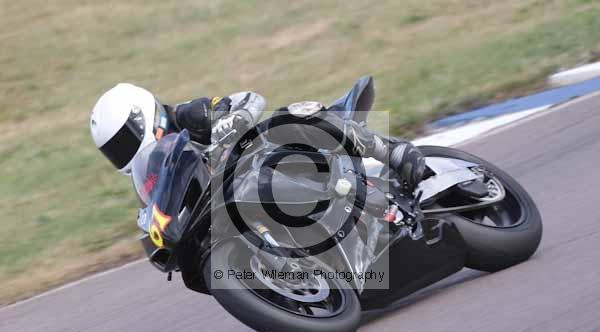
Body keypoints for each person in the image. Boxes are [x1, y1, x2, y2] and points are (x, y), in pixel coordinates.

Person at [89, 82, 425, 193]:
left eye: (123, 141)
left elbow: (251, 100)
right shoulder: (152, 174)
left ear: (142, 117)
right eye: (114, 150)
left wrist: (229, 121)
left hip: (270, 157)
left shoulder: (191, 115)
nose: (123, 153)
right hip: (245, 201)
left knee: (290, 116)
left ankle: (390, 151)